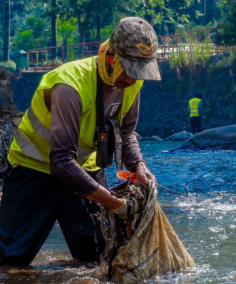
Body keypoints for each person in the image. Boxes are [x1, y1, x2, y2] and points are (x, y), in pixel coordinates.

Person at [0, 17, 161, 266]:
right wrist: (115, 203)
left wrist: (138, 165)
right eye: (129, 70)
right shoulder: (69, 85)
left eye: (139, 72)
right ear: (110, 56)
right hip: (33, 172)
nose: (132, 79)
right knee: (10, 262)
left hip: (83, 171)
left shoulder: (133, 84)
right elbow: (61, 162)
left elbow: (127, 134)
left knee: (100, 258)